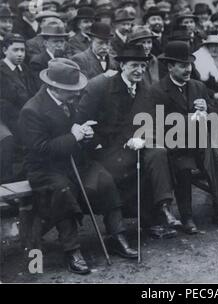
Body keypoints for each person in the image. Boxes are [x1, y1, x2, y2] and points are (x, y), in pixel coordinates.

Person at [18, 58, 138, 275]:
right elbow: (40, 149)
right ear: (53, 87)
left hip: (75, 161)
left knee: (104, 180)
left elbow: (77, 129)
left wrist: (85, 135)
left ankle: (117, 235)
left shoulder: (69, 101)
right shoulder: (32, 110)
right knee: (64, 191)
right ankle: (72, 250)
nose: (76, 94)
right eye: (70, 90)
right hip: (44, 169)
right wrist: (74, 137)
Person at [77, 44, 180, 239]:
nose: (139, 70)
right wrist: (96, 140)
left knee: (158, 153)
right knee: (130, 168)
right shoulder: (102, 87)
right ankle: (126, 226)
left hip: (134, 147)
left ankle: (163, 208)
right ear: (122, 65)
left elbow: (156, 124)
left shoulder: (147, 91)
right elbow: (83, 121)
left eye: (143, 66)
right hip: (105, 151)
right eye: (134, 65)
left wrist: (144, 139)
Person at [150, 41, 218, 233]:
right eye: (182, 66)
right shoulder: (158, 90)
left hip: (200, 143)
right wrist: (189, 118)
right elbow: (159, 124)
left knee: (216, 157)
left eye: (189, 65)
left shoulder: (198, 86)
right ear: (170, 66)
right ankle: (187, 217)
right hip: (175, 146)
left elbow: (215, 114)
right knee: (184, 168)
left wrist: (206, 111)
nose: (187, 69)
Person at [0, 33, 37, 182]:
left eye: (22, 50)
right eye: (15, 50)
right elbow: (2, 103)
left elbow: (33, 94)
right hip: (7, 119)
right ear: (4, 50)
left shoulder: (25, 69)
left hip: (25, 117)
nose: (20, 54)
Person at [29, 23, 71, 88]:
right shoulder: (37, 62)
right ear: (46, 43)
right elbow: (39, 86)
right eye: (55, 42)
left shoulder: (67, 60)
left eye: (62, 42)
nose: (59, 45)